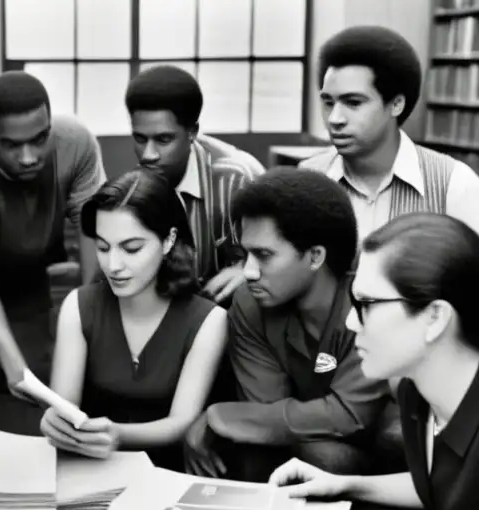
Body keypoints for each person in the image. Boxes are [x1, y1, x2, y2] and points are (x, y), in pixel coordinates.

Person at [272, 213, 479, 510]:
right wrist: (346, 485)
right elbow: (442, 483)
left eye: (365, 305)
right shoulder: (415, 392)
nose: (350, 323)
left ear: (435, 317)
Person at [184, 168, 394, 482]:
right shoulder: (249, 302)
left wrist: (222, 414)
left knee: (331, 454)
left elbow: (351, 415)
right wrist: (245, 420)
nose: (249, 271)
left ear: (315, 256)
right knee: (256, 452)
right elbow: (266, 412)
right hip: (294, 447)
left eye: (263, 255)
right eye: (245, 254)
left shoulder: (370, 301)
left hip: (378, 450)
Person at [0, 71, 105, 434]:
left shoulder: (75, 142)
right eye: (12, 145)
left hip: (39, 287)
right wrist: (14, 366)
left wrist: (88, 327)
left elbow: (96, 231)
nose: (29, 157)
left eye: (39, 140)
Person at [39, 169, 227, 470]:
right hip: (88, 472)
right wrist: (56, 421)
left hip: (168, 476)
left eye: (131, 249)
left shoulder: (208, 320)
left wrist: (117, 435)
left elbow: (181, 421)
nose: (113, 265)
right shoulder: (79, 306)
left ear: (168, 240)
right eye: (102, 247)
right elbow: (65, 405)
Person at [301, 26, 479, 240]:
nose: (334, 118)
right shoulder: (308, 176)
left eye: (353, 102)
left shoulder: (454, 184)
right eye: (328, 102)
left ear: (396, 104)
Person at [124, 65, 265, 304]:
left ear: (193, 132)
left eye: (163, 139)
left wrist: (250, 269)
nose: (148, 155)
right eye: (140, 139)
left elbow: (282, 257)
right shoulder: (137, 187)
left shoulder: (236, 179)